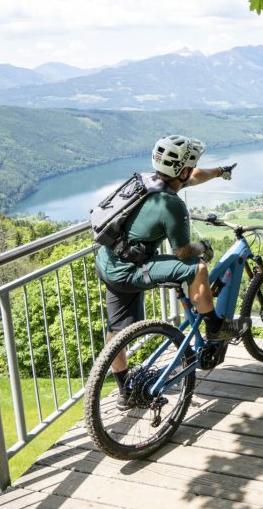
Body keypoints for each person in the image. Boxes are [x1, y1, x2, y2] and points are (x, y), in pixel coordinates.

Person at [94, 134, 244, 402]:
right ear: (181, 171)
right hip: (131, 270)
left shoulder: (146, 181)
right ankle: (214, 325)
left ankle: (125, 390)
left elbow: (192, 176)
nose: (192, 171)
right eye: (190, 166)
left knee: (117, 331)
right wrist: (203, 247)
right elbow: (182, 252)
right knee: (197, 268)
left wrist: (219, 171)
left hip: (108, 262)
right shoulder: (172, 205)